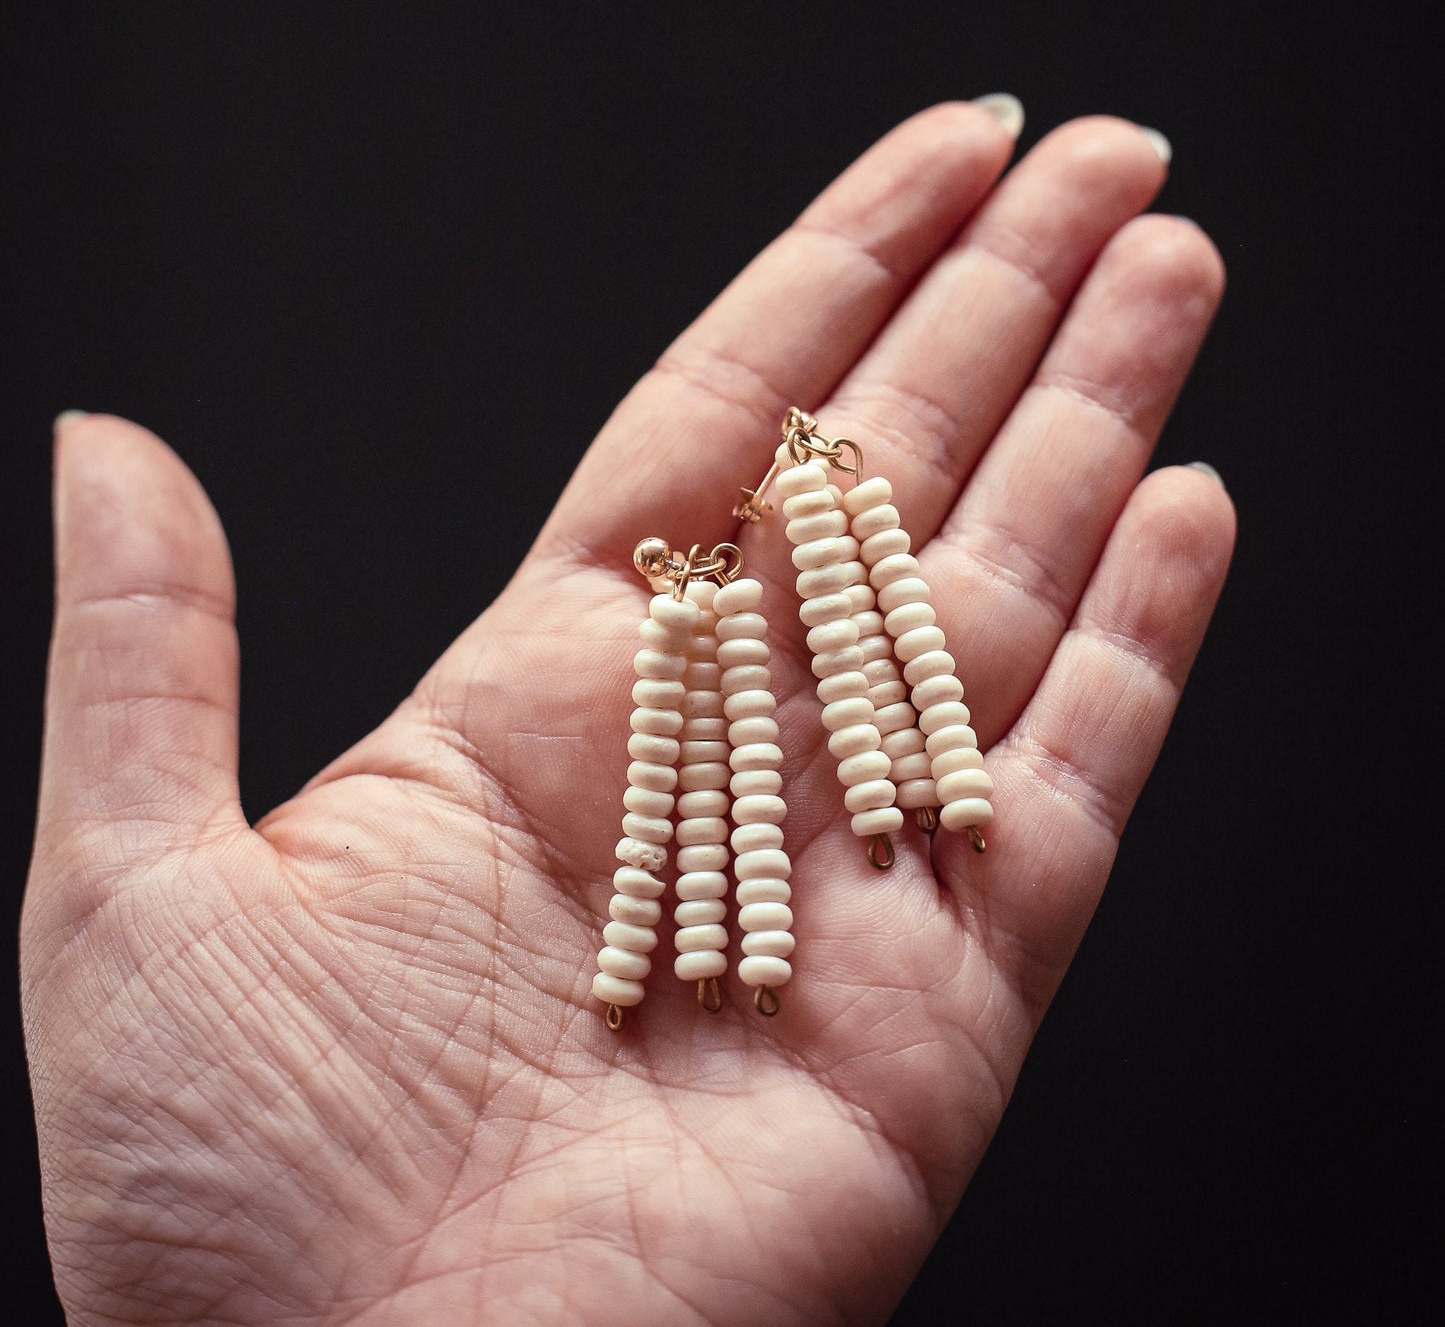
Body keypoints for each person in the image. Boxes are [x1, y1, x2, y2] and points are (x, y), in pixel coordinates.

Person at [22, 100, 1233, 1325]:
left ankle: (766, 912)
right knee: (732, 775)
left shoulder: (786, 554)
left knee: (815, 735)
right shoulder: (711, 616)